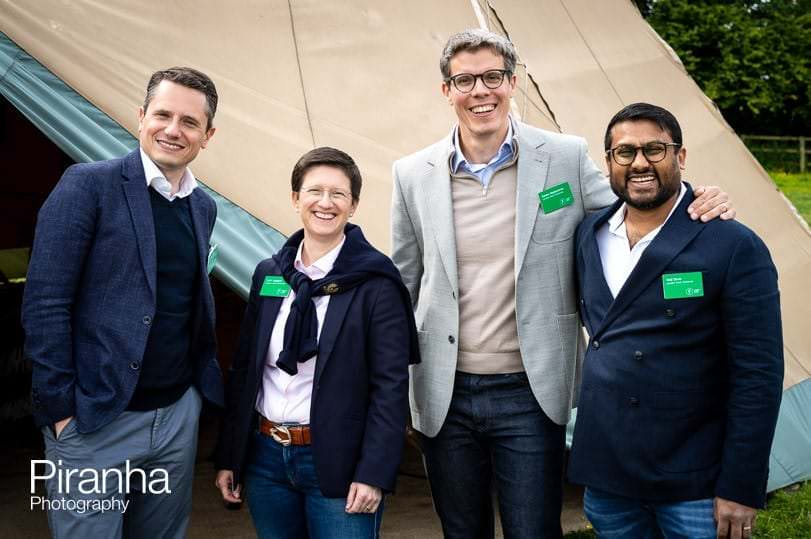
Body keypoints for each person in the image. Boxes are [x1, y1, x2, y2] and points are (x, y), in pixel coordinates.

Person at [390, 29, 736, 538]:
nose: (479, 91)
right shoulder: (411, 173)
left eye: (492, 77)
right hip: (444, 391)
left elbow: (633, 208)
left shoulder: (564, 158)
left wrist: (697, 198)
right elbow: (403, 282)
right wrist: (394, 389)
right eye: (464, 80)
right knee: (462, 530)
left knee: (534, 529)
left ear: (512, 82)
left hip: (530, 390)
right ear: (447, 90)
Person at [22, 67, 224, 537]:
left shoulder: (203, 206)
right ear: (140, 117)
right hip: (95, 420)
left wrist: (192, 400)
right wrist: (61, 412)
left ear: (208, 135)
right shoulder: (87, 186)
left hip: (175, 418)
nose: (174, 130)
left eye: (190, 122)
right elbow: (45, 303)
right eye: (163, 115)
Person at [568, 102, 783, 539]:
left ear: (680, 157)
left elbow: (758, 376)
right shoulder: (588, 236)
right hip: (609, 478)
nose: (639, 163)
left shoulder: (732, 245)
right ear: (608, 162)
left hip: (693, 482)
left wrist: (741, 485)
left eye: (654, 149)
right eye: (624, 152)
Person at [214, 147, 417, 539]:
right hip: (266, 460)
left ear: (353, 205)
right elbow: (245, 370)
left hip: (339, 460)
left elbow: (390, 387)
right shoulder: (269, 275)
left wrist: (373, 472)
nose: (325, 203)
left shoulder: (377, 283)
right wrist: (230, 456)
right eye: (314, 191)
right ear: (295, 199)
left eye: (338, 194)